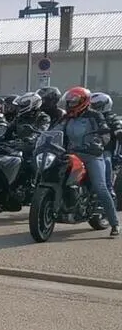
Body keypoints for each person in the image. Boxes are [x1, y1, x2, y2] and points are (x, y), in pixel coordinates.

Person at [51, 87, 118, 236]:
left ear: (83, 101)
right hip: (70, 154)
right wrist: (43, 138)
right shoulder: (67, 117)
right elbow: (54, 130)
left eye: (73, 102)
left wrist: (98, 143)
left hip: (91, 155)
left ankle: (114, 224)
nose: (70, 105)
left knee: (100, 187)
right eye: (69, 102)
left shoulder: (95, 116)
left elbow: (105, 132)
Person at [90, 92, 121, 207]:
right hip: (87, 149)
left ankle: (109, 191)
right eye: (91, 105)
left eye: (96, 105)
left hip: (104, 150)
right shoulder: (88, 117)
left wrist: (118, 132)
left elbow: (118, 127)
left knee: (106, 163)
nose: (93, 108)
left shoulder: (111, 117)